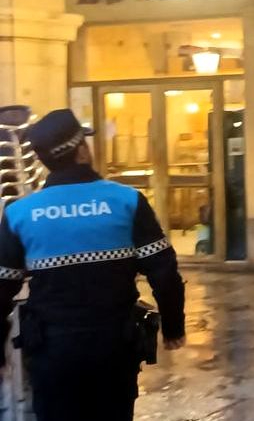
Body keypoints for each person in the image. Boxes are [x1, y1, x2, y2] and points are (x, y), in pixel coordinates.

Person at [0, 109, 186, 421]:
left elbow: (2, 286)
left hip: (52, 353)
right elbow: (164, 272)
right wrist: (173, 327)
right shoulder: (126, 201)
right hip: (114, 348)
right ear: (82, 151)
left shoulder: (21, 213)